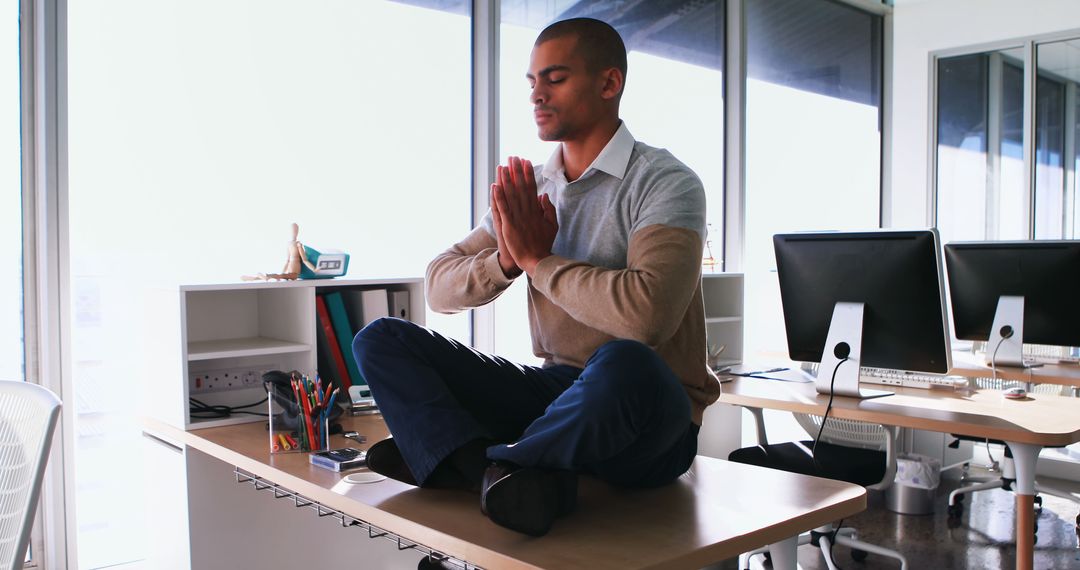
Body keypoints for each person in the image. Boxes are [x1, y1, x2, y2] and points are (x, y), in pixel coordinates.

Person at [352, 17, 720, 537]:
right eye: (531, 83)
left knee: (625, 360)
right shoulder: (536, 188)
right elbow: (438, 287)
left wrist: (537, 262)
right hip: (557, 394)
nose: (536, 95)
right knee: (380, 339)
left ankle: (468, 460)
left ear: (609, 83)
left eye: (555, 78)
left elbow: (647, 317)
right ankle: (501, 474)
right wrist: (505, 260)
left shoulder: (666, 182)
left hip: (650, 415)